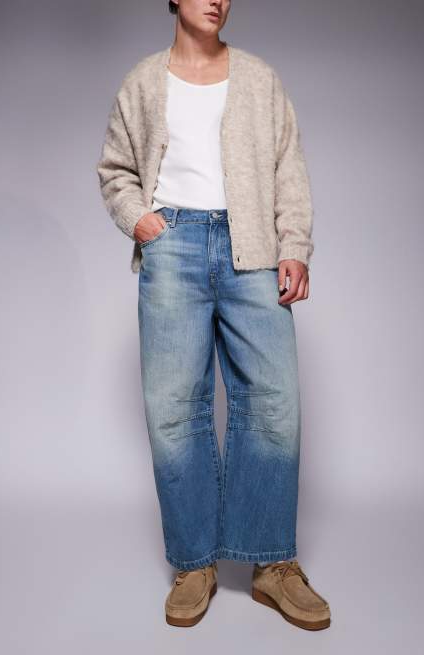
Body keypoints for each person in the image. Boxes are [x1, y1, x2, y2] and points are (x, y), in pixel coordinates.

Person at [97, 0, 331, 631]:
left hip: (252, 246)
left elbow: (288, 167)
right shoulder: (142, 81)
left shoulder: (260, 78)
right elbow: (115, 170)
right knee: (174, 406)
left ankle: (272, 562)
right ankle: (194, 561)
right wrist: (141, 222)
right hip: (172, 244)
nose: (217, 0)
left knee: (274, 400)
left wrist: (294, 246)